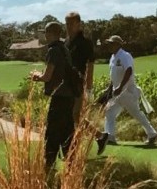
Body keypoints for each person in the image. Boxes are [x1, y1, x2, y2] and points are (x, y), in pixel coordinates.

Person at [31, 22, 75, 171]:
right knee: (67, 132)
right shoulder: (64, 49)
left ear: (50, 33)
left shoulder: (53, 50)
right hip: (69, 97)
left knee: (52, 133)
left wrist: (37, 76)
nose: (44, 35)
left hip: (59, 97)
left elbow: (47, 76)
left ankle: (48, 166)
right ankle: (71, 166)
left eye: (45, 32)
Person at [64, 12, 108, 155]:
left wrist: (88, 88)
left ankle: (75, 147)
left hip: (79, 85)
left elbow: (90, 64)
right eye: (67, 24)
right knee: (73, 116)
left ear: (79, 24)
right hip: (67, 86)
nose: (69, 27)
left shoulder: (85, 43)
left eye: (71, 24)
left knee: (75, 115)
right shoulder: (67, 42)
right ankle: (99, 136)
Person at [102, 35, 157, 145]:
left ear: (118, 44)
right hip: (117, 93)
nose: (109, 45)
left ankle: (152, 134)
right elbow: (113, 76)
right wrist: (109, 89)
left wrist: (120, 87)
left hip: (127, 92)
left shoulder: (125, 56)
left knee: (136, 113)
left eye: (111, 43)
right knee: (109, 112)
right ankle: (110, 137)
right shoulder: (112, 57)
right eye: (109, 43)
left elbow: (129, 71)